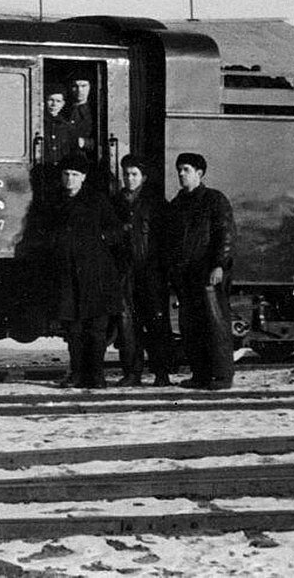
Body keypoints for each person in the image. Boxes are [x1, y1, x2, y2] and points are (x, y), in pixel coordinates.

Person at [51, 153, 125, 389]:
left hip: (95, 274)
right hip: (68, 275)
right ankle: (76, 373)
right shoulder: (56, 202)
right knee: (73, 329)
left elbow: (115, 231)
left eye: (74, 175)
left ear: (83, 177)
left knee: (95, 328)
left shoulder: (97, 201)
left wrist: (98, 240)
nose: (69, 179)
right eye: (66, 175)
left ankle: (96, 376)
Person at [167, 152, 236, 390]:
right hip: (186, 276)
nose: (181, 174)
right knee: (192, 327)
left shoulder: (214, 200)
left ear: (199, 173)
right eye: (179, 169)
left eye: (186, 169)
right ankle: (200, 375)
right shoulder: (177, 203)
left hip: (207, 273)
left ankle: (221, 376)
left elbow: (225, 234)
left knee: (215, 324)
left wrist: (219, 264)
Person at [111, 154, 174, 387]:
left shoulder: (156, 204)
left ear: (143, 177)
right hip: (125, 272)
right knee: (128, 325)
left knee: (156, 323)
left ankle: (161, 373)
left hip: (150, 272)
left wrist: (162, 269)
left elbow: (166, 239)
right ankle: (132, 373)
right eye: (126, 174)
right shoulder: (115, 203)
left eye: (134, 174)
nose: (129, 178)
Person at [61, 75, 97, 157]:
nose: (79, 90)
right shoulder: (62, 110)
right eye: (75, 86)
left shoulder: (95, 111)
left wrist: (85, 143)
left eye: (83, 86)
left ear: (90, 87)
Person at [43, 90, 76, 164]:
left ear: (63, 104)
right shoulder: (39, 124)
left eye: (58, 101)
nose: (54, 104)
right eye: (51, 100)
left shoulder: (68, 127)